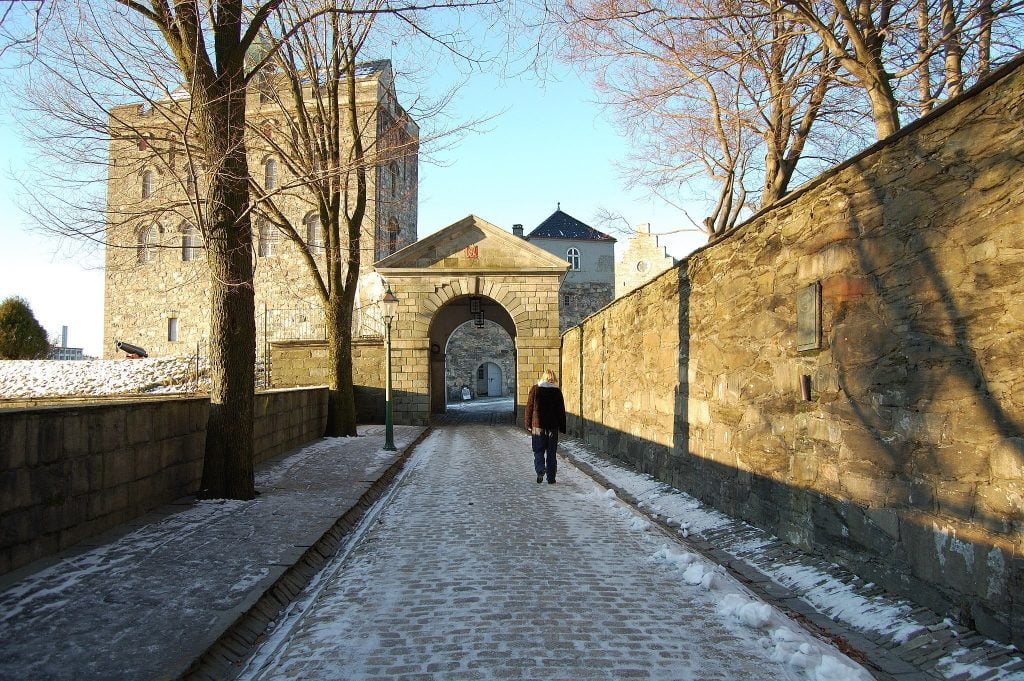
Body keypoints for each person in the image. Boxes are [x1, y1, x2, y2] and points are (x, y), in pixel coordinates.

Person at [524, 368, 566, 484]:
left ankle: (540, 469)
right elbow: (561, 411)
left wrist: (527, 423)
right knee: (551, 453)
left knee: (538, 450)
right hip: (552, 426)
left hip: (538, 426)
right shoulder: (557, 391)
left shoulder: (535, 389)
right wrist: (562, 426)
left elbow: (529, 408)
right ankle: (551, 478)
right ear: (553, 378)